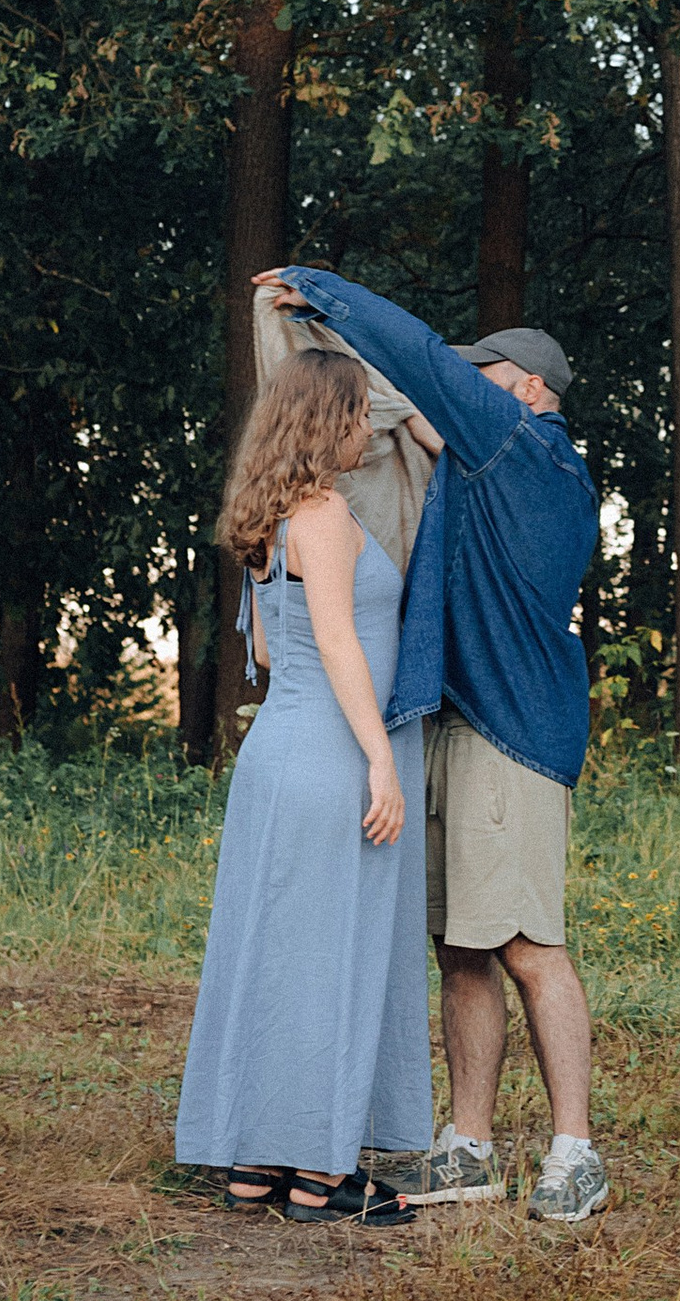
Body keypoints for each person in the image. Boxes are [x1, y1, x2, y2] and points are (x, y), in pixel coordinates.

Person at [255, 266, 607, 1225]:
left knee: (528, 945)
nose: (458, 395)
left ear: (526, 387)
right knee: (460, 950)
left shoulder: (531, 451)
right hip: (447, 717)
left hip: (509, 732)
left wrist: (325, 293)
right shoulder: (480, 461)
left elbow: (417, 365)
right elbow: (419, 414)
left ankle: (575, 1153)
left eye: (477, 379)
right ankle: (469, 1148)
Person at [175, 347, 438, 1225]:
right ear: (328, 422)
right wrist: (380, 759)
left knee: (282, 956)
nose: (369, 427)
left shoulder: (270, 514)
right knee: (330, 961)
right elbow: (334, 641)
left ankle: (257, 1165)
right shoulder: (322, 513)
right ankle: (321, 1177)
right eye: (359, 413)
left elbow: (264, 647)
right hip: (329, 754)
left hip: (279, 752)